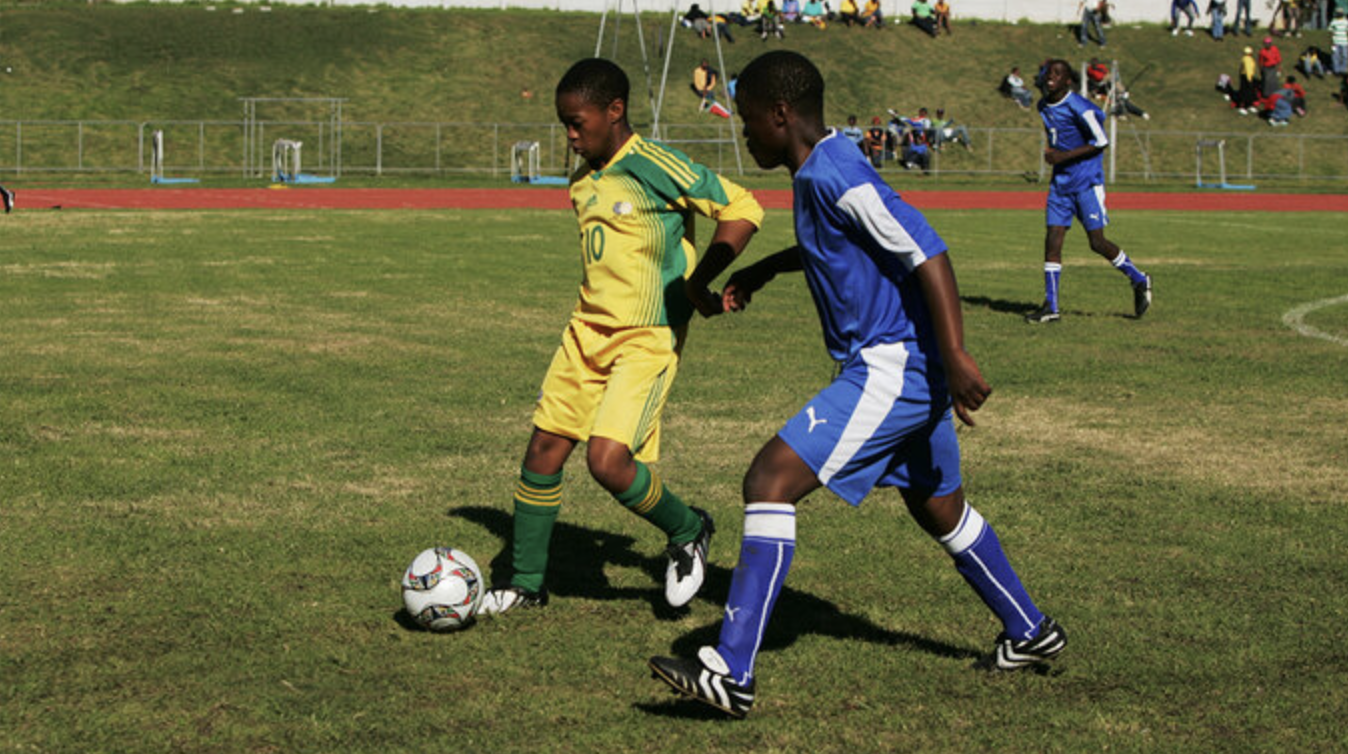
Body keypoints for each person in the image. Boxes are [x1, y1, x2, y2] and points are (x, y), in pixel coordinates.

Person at [647, 50, 1067, 719]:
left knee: (768, 481)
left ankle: (731, 670)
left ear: (780, 114)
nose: (746, 134)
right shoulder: (820, 170)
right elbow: (834, 246)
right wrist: (765, 272)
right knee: (937, 507)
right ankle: (1030, 630)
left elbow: (924, 248)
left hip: (892, 366)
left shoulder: (836, 171)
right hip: (905, 366)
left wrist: (955, 353)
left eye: (750, 120)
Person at [478, 58, 764, 616]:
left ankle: (688, 528)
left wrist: (702, 279)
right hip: (585, 332)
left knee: (607, 462)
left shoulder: (655, 164)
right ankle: (524, 583)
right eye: (563, 123)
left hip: (646, 336)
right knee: (543, 451)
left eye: (577, 122)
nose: (570, 136)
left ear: (615, 111)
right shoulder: (582, 176)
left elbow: (742, 206)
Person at [1026, 59, 1152, 324]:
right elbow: (1055, 135)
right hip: (1060, 185)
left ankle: (1139, 279)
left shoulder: (1079, 107)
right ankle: (1051, 306)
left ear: (1067, 81)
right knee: (1052, 239)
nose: (1051, 76)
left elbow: (1101, 141)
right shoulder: (1043, 106)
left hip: (1086, 183)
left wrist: (1063, 157)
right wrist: (1054, 154)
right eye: (1049, 72)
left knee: (1097, 242)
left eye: (1057, 73)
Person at [1237, 44, 1260, 112]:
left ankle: (1249, 104)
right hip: (1247, 77)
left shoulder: (1245, 58)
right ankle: (1242, 107)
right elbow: (1248, 70)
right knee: (1245, 92)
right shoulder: (1247, 59)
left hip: (1246, 76)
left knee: (1249, 92)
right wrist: (1250, 80)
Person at [1331, 9, 1348, 75]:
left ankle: (1343, 69)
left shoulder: (1346, 21)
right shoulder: (1334, 21)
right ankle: (1336, 70)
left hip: (1344, 42)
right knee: (1335, 56)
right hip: (1336, 42)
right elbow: (1330, 30)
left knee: (1345, 56)